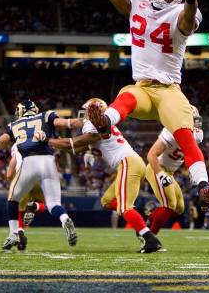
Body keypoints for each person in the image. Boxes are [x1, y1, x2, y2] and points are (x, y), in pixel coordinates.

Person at [74, 0, 209, 211]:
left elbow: (187, 24)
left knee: (185, 133)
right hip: (143, 87)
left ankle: (203, 184)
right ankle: (105, 121)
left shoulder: (183, 11)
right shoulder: (138, 1)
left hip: (168, 90)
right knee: (126, 96)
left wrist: (191, 0)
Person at [46, 98, 163, 253]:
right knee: (107, 201)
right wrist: (63, 145)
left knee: (124, 207)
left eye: (89, 111)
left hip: (128, 163)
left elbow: (72, 144)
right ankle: (139, 218)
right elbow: (77, 149)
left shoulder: (94, 125)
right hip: (131, 163)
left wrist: (48, 141)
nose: (86, 114)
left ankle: (150, 239)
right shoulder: (100, 125)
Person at [0, 100, 79, 250]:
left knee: (12, 199)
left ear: (20, 111)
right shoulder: (46, 115)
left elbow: (2, 142)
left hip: (28, 162)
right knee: (54, 204)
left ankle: (14, 233)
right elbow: (69, 124)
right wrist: (87, 121)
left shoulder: (15, 125)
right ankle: (65, 219)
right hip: (48, 162)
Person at [145, 105, 203, 235]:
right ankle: (149, 237)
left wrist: (194, 172)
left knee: (180, 207)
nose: (196, 123)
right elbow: (151, 155)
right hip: (156, 168)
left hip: (170, 172)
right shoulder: (172, 131)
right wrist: (160, 174)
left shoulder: (198, 135)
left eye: (196, 119)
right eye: (193, 119)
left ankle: (150, 219)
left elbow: (191, 154)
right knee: (170, 204)